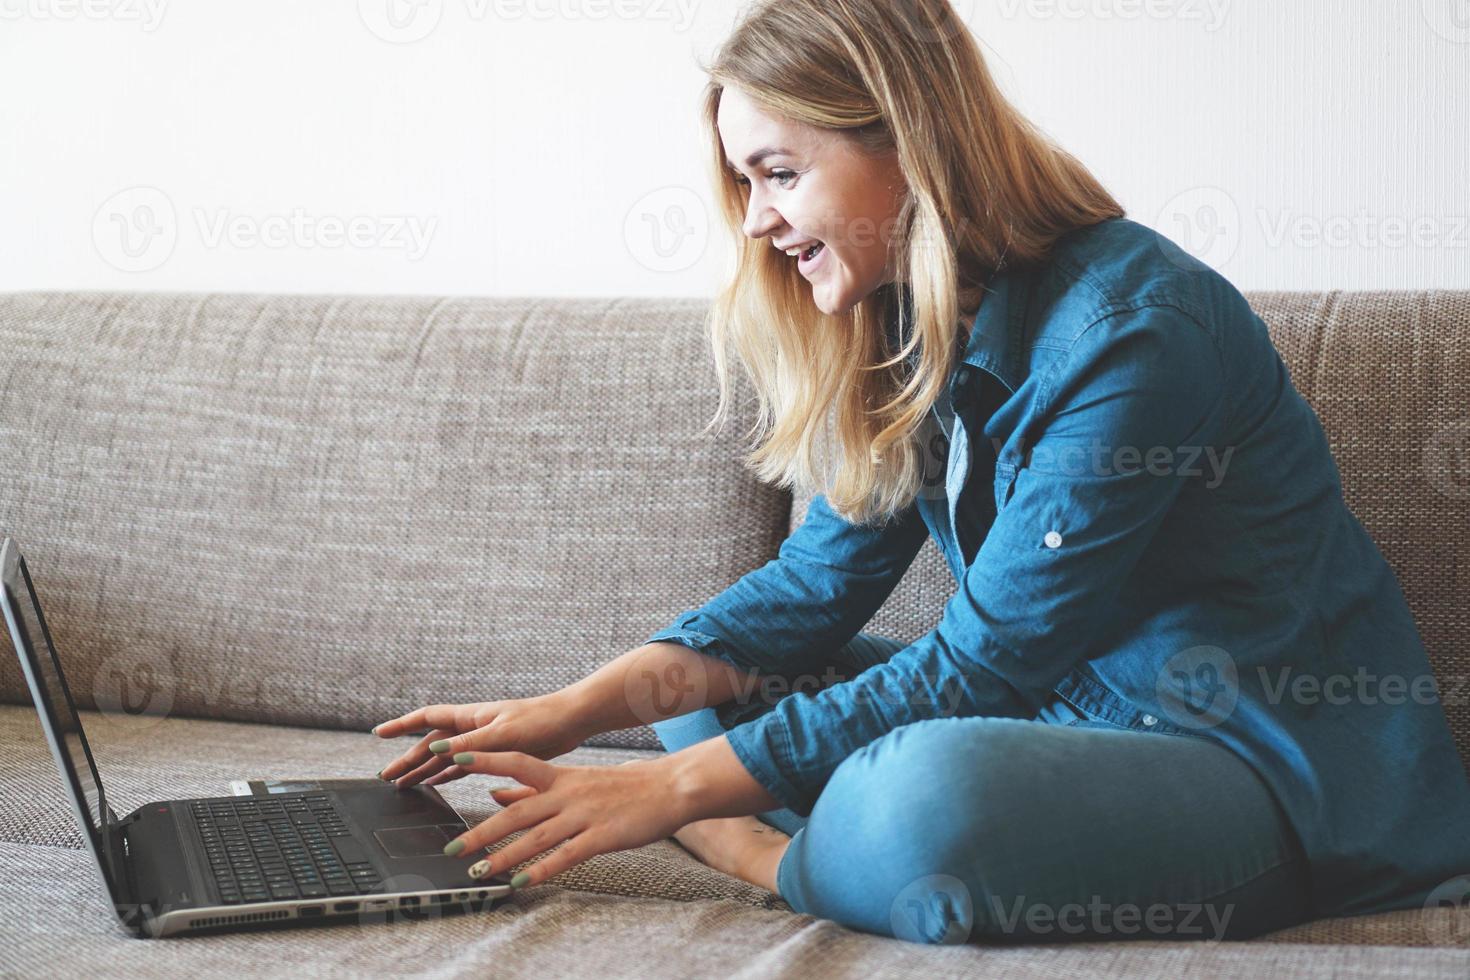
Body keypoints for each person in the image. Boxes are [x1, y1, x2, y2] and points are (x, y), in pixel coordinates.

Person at [369, 0, 1470, 945]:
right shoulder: (904, 321)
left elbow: (986, 663)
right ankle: (813, 829)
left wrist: (675, 802)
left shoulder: (1136, 328)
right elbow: (811, 592)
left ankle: (773, 862)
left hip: (1255, 767)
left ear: (911, 140)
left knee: (921, 799)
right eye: (746, 182)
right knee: (695, 692)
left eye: (780, 173)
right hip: (1058, 715)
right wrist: (562, 712)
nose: (757, 222)